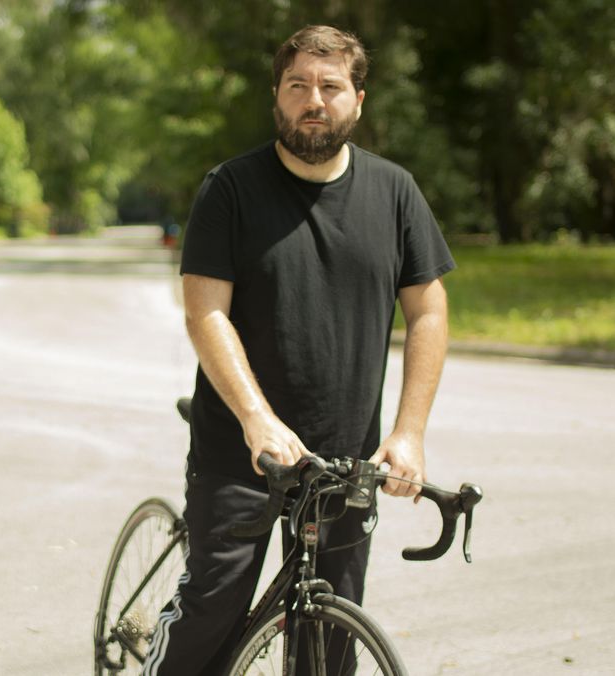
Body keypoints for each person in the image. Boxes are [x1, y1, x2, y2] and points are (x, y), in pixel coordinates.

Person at [143, 24, 455, 675]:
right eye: (298, 85)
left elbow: (427, 311)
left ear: (358, 100)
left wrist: (409, 433)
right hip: (240, 453)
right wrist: (257, 418)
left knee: (329, 643)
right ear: (278, 98)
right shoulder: (229, 190)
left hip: (346, 460)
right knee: (214, 613)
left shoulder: (395, 193)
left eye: (331, 86)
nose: (314, 99)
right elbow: (205, 313)